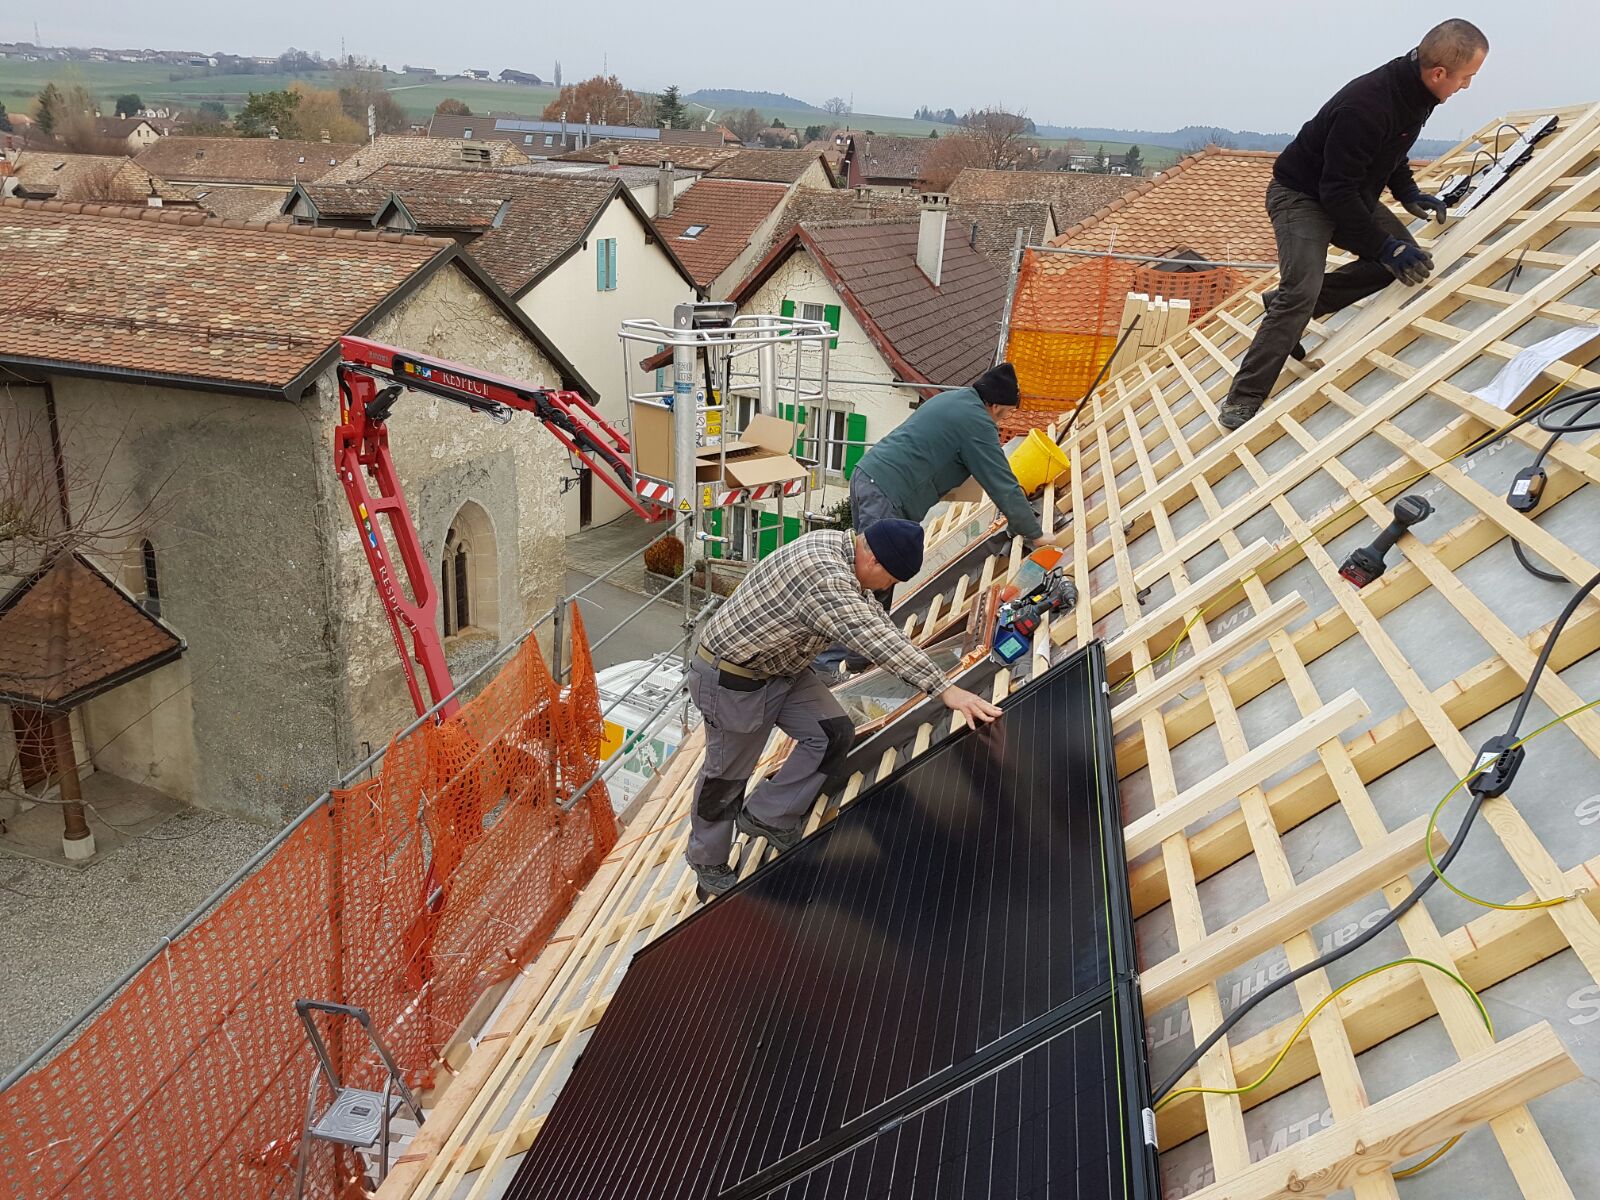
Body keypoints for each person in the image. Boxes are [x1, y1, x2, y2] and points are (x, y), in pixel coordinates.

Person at [685, 519, 1003, 900]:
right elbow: (876, 640)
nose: (886, 588)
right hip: (733, 680)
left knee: (833, 732)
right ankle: (707, 860)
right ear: (874, 560)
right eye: (890, 579)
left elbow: (872, 617)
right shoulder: (826, 579)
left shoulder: (841, 549)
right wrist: (946, 690)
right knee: (725, 780)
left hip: (781, 670)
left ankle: (767, 814)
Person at [1216, 19, 1489, 432]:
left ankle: (1295, 308)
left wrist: (1408, 192)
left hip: (1348, 193)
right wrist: (1384, 245)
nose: (1466, 86)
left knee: (1405, 261)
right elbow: (1335, 192)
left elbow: (1392, 147)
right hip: (1302, 195)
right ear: (1438, 74)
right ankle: (1244, 397)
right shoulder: (1368, 104)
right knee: (1300, 290)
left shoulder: (1417, 93)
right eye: (1466, 77)